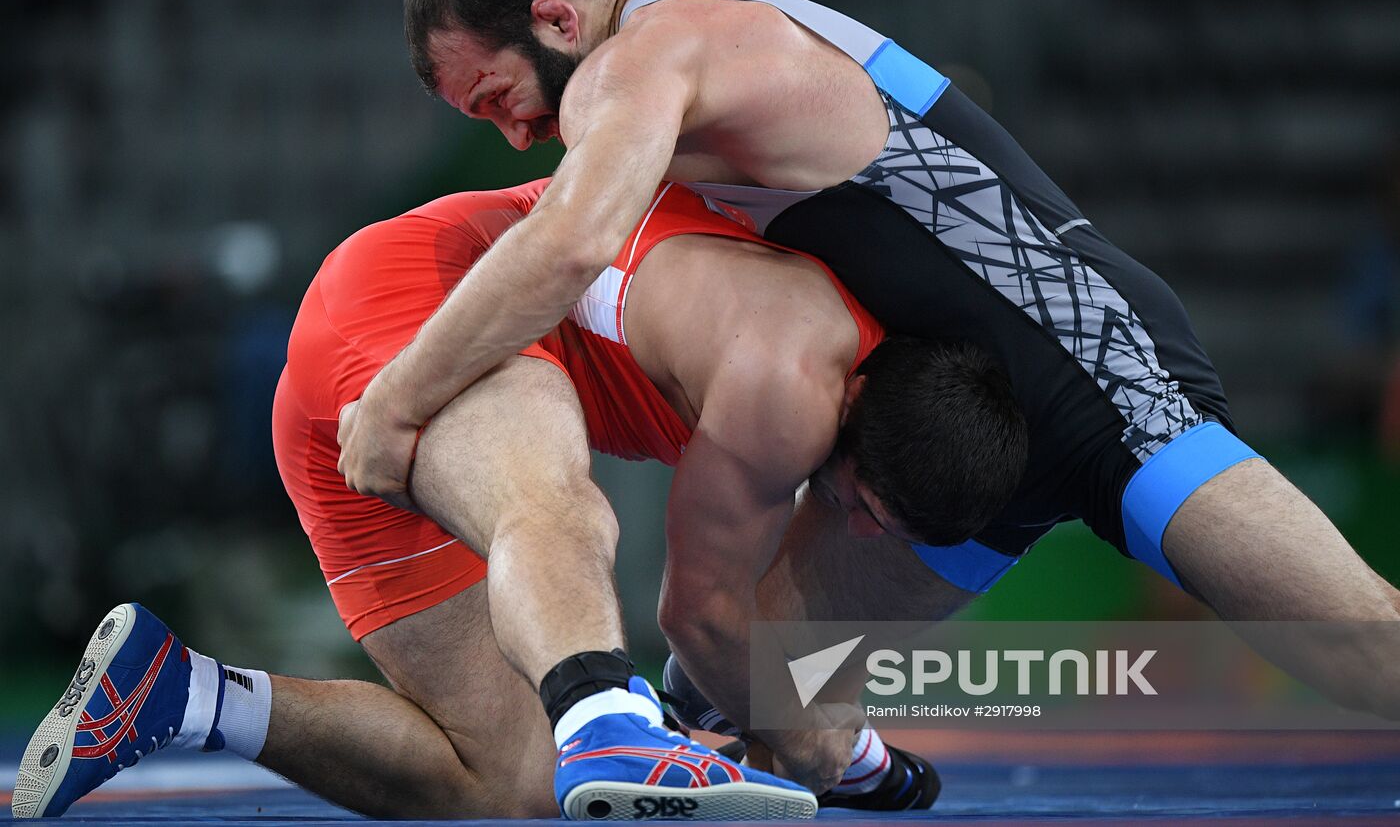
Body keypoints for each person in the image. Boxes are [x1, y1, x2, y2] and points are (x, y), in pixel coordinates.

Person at [334, 0, 1400, 784]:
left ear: (557, 20)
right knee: (739, 680)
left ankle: (839, 764)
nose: (513, 135)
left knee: (1363, 655)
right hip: (949, 435)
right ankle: (824, 769)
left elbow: (566, 245)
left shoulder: (662, 49)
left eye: (498, 98)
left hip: (1104, 382)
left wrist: (394, 402)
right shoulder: (679, 45)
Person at [13, 179, 1026, 820]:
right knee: (558, 506)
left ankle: (178, 695)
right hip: (430, 304)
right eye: (860, 502)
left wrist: (775, 718)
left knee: (516, 788)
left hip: (345, 416)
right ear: (858, 405)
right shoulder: (791, 380)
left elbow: (732, 658)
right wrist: (845, 759)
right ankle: (603, 714)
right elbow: (700, 625)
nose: (847, 520)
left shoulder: (852, 394)